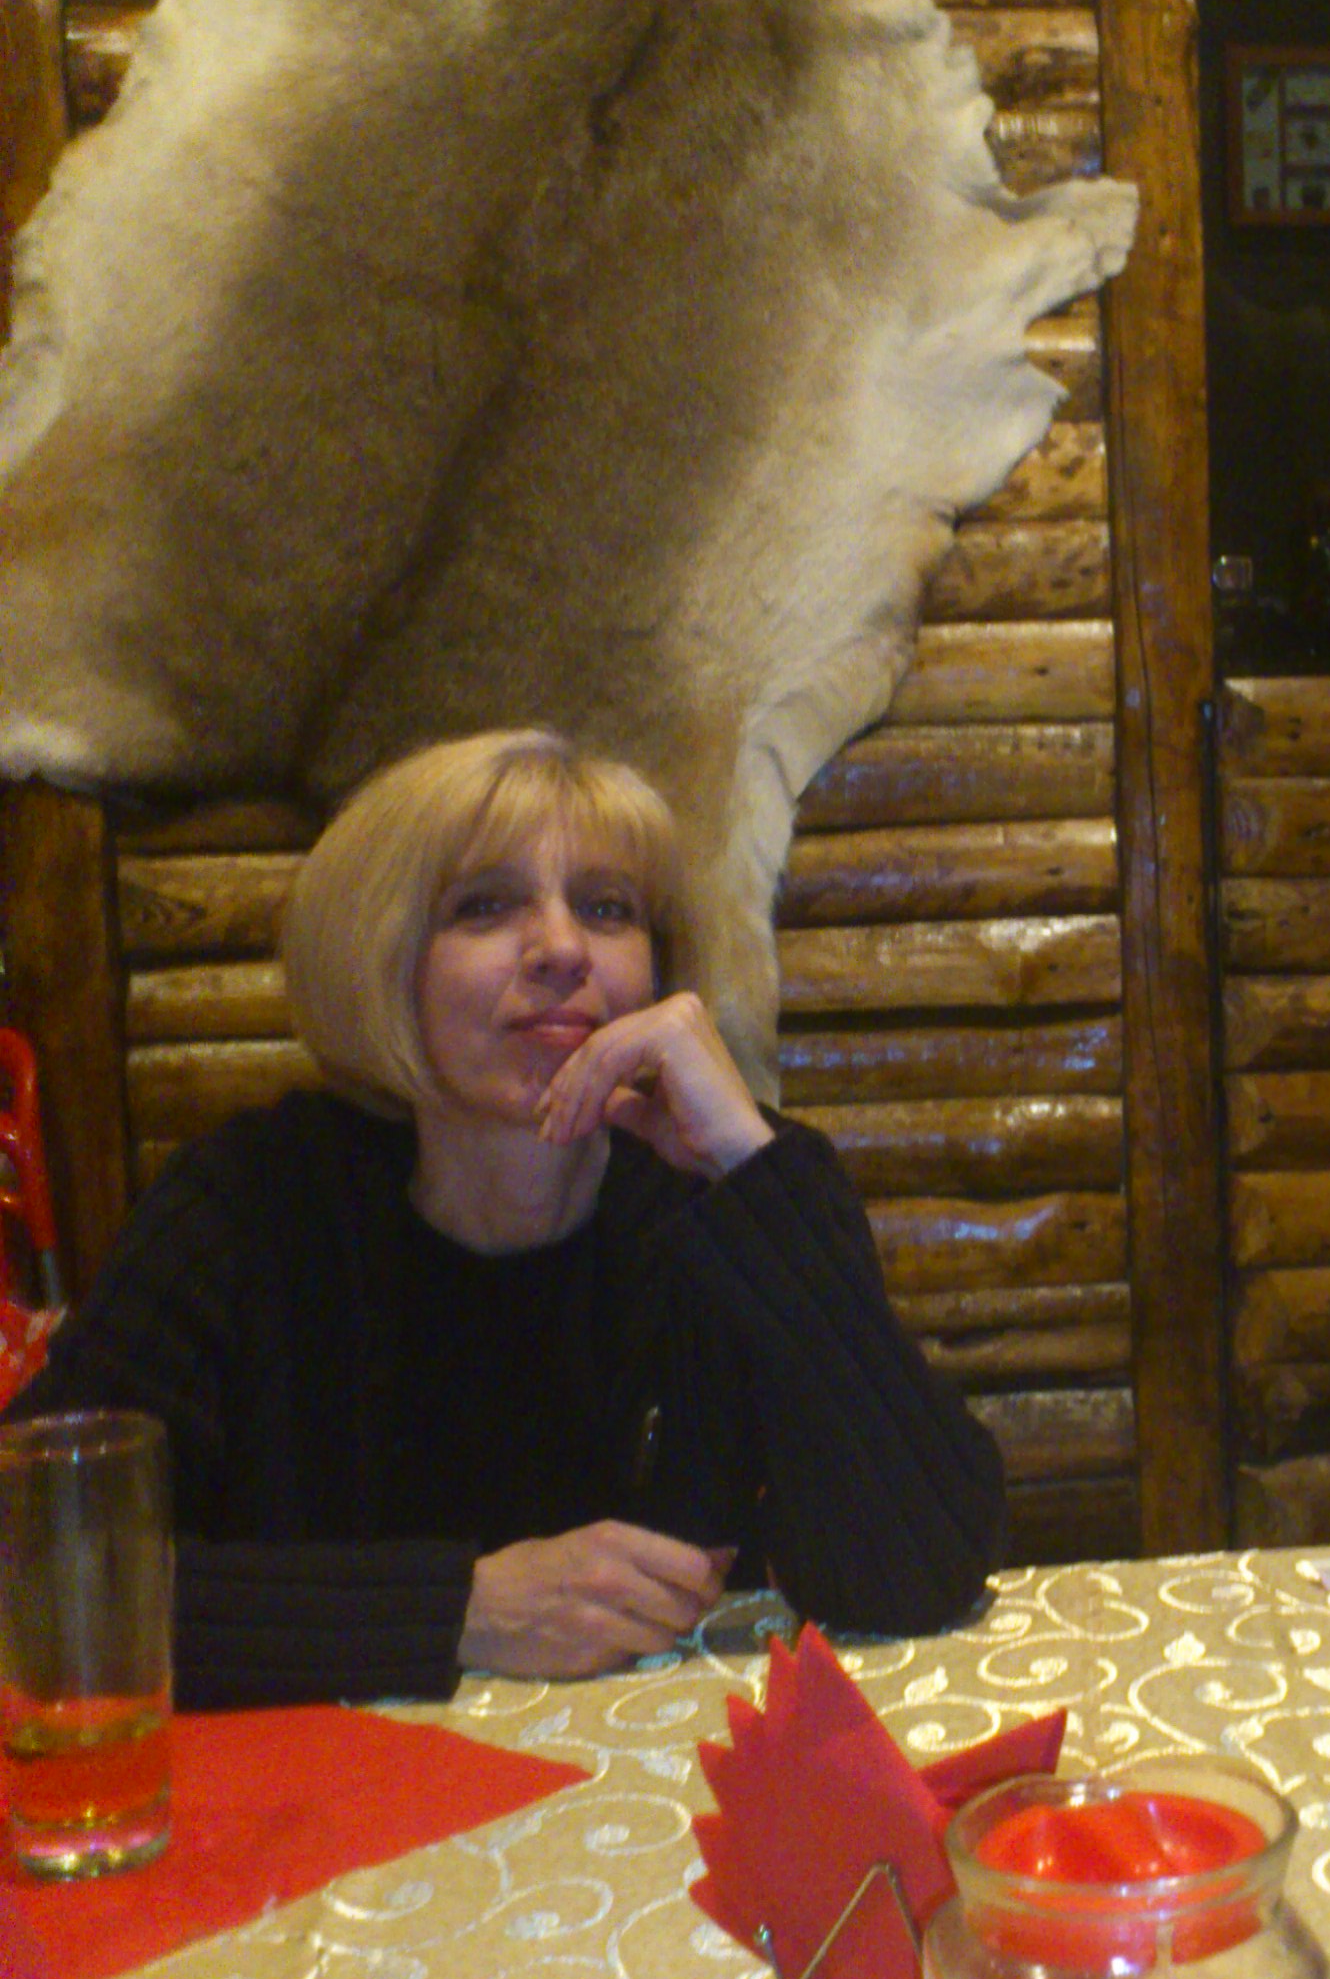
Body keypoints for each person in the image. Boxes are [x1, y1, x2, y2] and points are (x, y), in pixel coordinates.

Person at [9, 730, 1007, 1706]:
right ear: (383, 961)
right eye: (483, 907)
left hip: (669, 1788)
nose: (564, 949)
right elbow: (28, 1576)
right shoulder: (248, 1205)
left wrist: (748, 1169)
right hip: (341, 1800)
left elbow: (922, 1575)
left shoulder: (742, 1195)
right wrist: (457, 1610)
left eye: (608, 909)